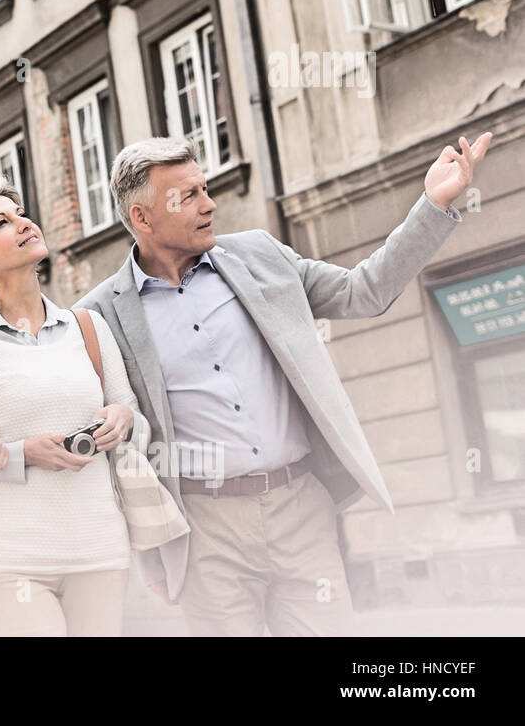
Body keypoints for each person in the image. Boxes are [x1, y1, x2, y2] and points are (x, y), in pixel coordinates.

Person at [74, 132, 493, 636]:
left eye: (205, 188)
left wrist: (432, 204)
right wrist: (151, 554)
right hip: (203, 530)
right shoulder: (100, 315)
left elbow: (365, 291)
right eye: (187, 196)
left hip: (301, 508)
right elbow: (119, 434)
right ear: (141, 217)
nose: (209, 204)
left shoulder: (259, 256)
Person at [0, 171, 149, 636]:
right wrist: (19, 454)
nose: (24, 224)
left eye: (21, 214)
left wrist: (123, 419)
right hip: (7, 557)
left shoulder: (87, 327)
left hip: (98, 547)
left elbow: (133, 420)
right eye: (2, 224)